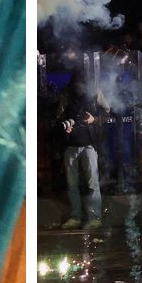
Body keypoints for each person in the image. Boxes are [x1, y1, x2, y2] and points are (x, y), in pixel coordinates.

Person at [56, 96, 103, 230]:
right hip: (71, 146)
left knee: (92, 182)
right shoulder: (67, 94)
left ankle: (94, 218)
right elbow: (60, 117)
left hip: (89, 145)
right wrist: (67, 128)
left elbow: (107, 114)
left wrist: (94, 119)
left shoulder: (94, 94)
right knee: (72, 184)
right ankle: (76, 217)